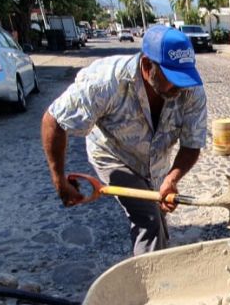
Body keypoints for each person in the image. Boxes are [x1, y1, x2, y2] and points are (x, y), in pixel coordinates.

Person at [41, 25, 207, 256]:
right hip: (114, 155)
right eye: (172, 78)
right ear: (148, 65)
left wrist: (171, 178)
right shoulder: (106, 81)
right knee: (148, 220)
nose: (180, 87)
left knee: (158, 218)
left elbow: (191, 144)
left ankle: (160, 259)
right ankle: (150, 288)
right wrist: (58, 178)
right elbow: (54, 120)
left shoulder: (190, 90)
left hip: (155, 163)